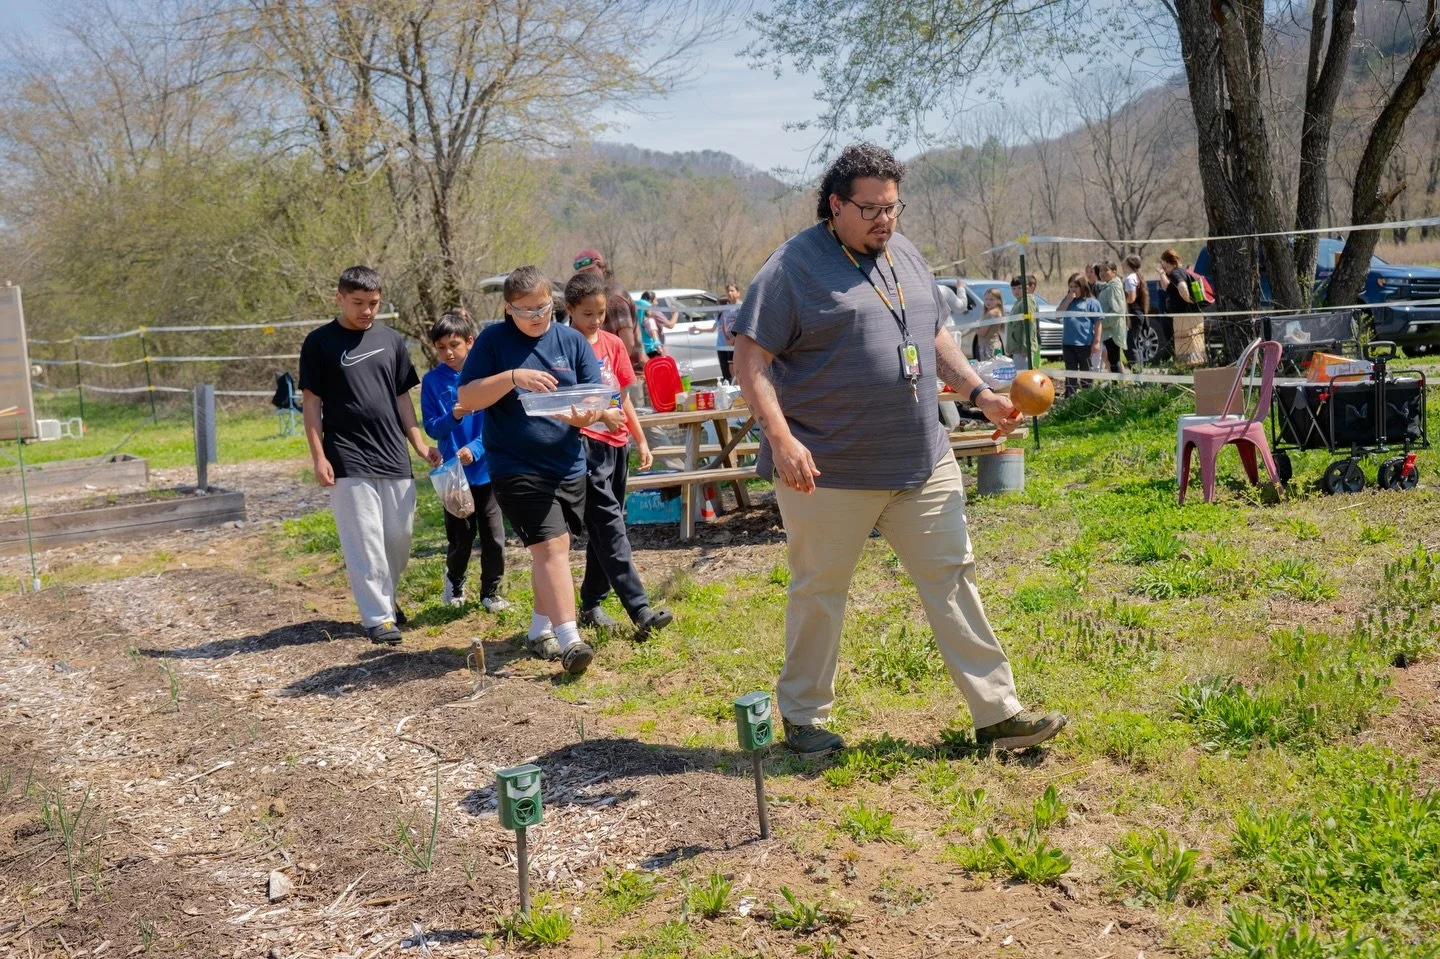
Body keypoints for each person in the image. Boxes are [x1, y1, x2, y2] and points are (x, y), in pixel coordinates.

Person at [732, 142, 1067, 757]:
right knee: (819, 592)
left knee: (953, 577)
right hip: (827, 470)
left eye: (892, 207)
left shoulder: (904, 253)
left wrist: (979, 393)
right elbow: (749, 359)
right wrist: (781, 439)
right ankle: (804, 718)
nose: (885, 220)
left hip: (922, 460)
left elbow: (933, 335)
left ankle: (998, 713)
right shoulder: (790, 269)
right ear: (836, 205)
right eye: (871, 209)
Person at [456, 266, 604, 676]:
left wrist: (587, 415)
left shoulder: (571, 340)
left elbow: (594, 398)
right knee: (551, 547)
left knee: (553, 551)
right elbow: (467, 397)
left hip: (568, 462)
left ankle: (539, 630)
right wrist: (511, 377)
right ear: (508, 308)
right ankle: (571, 640)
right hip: (515, 464)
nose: (537, 316)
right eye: (525, 310)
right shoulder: (493, 341)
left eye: (543, 308)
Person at [299, 266, 442, 645]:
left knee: (398, 537)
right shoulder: (319, 342)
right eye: (358, 303)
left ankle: (387, 599)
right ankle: (379, 617)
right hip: (346, 454)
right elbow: (311, 404)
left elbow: (402, 398)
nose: (366, 311)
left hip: (393, 452)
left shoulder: (391, 340)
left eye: (373, 303)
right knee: (365, 539)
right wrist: (318, 456)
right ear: (340, 298)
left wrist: (419, 444)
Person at [564, 271, 675, 638]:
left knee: (607, 526)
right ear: (569, 310)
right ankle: (640, 609)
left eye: (600, 313)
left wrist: (641, 440)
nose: (596, 320)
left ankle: (591, 603)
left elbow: (622, 398)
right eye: (588, 314)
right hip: (585, 445)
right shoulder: (563, 347)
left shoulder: (612, 344)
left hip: (617, 445)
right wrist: (598, 417)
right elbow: (566, 403)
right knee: (610, 527)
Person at [420, 310, 508, 612]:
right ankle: (455, 580)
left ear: (470, 342)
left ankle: (491, 592)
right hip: (454, 476)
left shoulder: (485, 377)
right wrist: (453, 416)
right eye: (441, 347)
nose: (448, 352)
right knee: (461, 538)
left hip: (487, 471)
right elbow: (432, 427)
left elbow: (496, 422)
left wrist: (476, 448)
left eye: (454, 345)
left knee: (494, 536)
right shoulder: (432, 382)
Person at [574, 248, 642, 373]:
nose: (586, 276)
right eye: (581, 273)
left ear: (601, 267)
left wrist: (612, 375)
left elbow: (627, 344)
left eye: (590, 270)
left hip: (630, 373)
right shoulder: (592, 298)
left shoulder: (614, 298)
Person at [1057, 272, 1102, 396]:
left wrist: (1096, 342)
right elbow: (1058, 315)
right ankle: (1070, 396)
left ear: (1082, 286)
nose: (1073, 289)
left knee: (1085, 372)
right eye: (1070, 286)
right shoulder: (1068, 301)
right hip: (1068, 344)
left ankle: (1087, 396)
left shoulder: (1092, 302)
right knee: (1070, 372)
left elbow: (1098, 323)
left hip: (1085, 344)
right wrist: (1068, 300)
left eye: (1076, 286)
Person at [1157, 248, 1205, 366]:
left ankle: (1187, 368)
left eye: (1163, 264)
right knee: (1194, 347)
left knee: (1185, 346)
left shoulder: (1176, 273)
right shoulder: (1184, 271)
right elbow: (1168, 289)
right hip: (1192, 316)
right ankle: (1194, 367)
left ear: (1168, 262)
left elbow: (1182, 287)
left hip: (1183, 318)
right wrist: (1162, 274)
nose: (1163, 267)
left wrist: (1187, 298)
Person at [1096, 261, 1128, 373]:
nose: (1102, 273)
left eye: (1106, 270)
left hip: (1112, 331)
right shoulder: (1107, 286)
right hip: (1108, 331)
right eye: (1101, 270)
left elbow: (1118, 311)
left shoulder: (1113, 287)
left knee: (1114, 360)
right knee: (1112, 360)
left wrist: (1103, 324)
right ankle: (1117, 382)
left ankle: (1118, 383)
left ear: (1114, 272)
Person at [1005, 274, 1039, 368]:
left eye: (1019, 288)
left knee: (1024, 374)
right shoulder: (1019, 301)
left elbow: (1029, 324)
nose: (1016, 291)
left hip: (1022, 350)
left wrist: (1026, 346)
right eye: (1014, 288)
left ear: (1026, 288)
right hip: (1017, 348)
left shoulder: (1027, 301)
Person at [1123, 254, 1149, 365]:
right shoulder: (1137, 277)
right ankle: (1139, 371)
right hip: (1138, 313)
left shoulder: (1130, 279)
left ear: (1129, 264)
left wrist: (1122, 303)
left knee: (1131, 345)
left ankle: (1136, 371)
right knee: (1136, 345)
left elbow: (1131, 298)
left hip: (1133, 314)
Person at [716, 283, 742, 381]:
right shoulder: (726, 309)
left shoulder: (741, 307)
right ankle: (735, 386)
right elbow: (723, 325)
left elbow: (743, 325)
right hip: (729, 342)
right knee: (731, 367)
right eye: (728, 291)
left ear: (738, 293)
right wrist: (726, 339)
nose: (729, 293)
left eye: (732, 290)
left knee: (740, 366)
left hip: (739, 341)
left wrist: (734, 339)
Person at [977, 287, 1006, 359]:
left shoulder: (992, 314)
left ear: (999, 301)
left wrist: (975, 328)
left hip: (989, 347)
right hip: (991, 345)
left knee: (989, 366)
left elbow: (982, 333)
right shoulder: (990, 313)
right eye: (986, 299)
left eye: (991, 299)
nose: (988, 302)